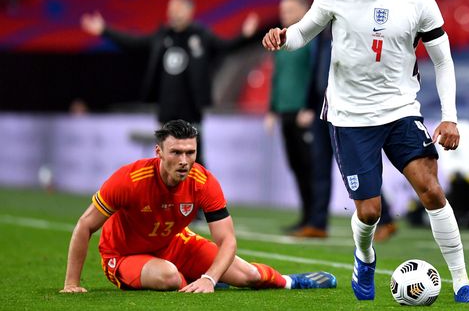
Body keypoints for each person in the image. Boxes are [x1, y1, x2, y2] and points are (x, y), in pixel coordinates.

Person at [262, 0, 469, 304]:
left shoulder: (420, 1)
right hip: (350, 116)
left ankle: (463, 283)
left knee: (432, 191)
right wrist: (283, 38)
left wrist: (448, 115)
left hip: (400, 110)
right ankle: (364, 257)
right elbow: (303, 32)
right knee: (370, 212)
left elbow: (443, 61)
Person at [60, 119, 336, 293]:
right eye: (176, 152)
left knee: (250, 275)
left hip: (173, 244)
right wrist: (71, 284)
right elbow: (85, 225)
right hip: (122, 255)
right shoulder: (129, 179)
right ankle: (195, 278)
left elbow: (227, 241)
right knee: (169, 277)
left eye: (190, 152)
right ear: (158, 152)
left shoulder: (203, 182)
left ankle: (291, 281)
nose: (184, 160)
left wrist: (211, 279)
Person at [80, 0, 259, 165]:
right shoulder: (162, 35)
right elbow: (134, 43)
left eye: (178, 7)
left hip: (191, 111)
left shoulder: (201, 35)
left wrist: (244, 36)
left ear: (190, 11)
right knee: (166, 160)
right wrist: (105, 30)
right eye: (171, 8)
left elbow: (226, 47)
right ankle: (167, 196)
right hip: (166, 111)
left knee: (195, 160)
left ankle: (201, 196)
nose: (172, 11)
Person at [292, 0, 398, 241]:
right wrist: (308, 105)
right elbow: (314, 73)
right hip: (321, 107)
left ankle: (385, 217)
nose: (321, 0)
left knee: (354, 164)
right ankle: (317, 222)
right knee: (319, 165)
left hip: (347, 106)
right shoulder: (319, 30)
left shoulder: (354, 27)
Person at [264, 0, 313, 234]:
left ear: (304, 10)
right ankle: (306, 217)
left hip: (303, 112)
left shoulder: (310, 37)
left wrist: (311, 107)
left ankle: (314, 218)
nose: (284, 15)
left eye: (289, 10)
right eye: (283, 11)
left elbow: (316, 75)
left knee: (309, 166)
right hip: (285, 111)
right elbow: (278, 78)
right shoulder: (283, 40)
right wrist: (272, 110)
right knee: (296, 165)